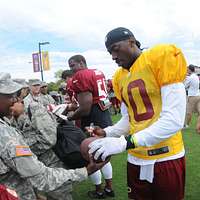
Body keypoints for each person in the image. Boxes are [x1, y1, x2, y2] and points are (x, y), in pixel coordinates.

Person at [89, 27, 187, 200]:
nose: (113, 56)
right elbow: (129, 118)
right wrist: (107, 132)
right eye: (109, 52)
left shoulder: (159, 56)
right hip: (136, 158)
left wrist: (126, 143)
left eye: (115, 49)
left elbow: (174, 120)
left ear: (132, 42)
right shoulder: (119, 77)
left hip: (166, 157)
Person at [0, 72, 106, 200]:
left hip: (49, 164)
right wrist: (85, 171)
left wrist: (27, 149)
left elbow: (49, 138)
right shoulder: (5, 132)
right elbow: (40, 177)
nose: (15, 99)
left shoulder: (31, 108)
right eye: (10, 95)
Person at [67, 55, 115, 199]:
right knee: (104, 155)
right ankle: (109, 188)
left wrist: (70, 117)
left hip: (92, 119)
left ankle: (99, 190)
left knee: (91, 157)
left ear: (82, 63)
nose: (72, 69)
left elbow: (85, 108)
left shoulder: (81, 75)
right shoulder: (97, 71)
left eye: (73, 65)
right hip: (104, 117)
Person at [184, 64, 200, 133]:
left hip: (192, 96)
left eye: (188, 69)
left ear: (190, 70)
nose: (187, 70)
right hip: (198, 95)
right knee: (199, 112)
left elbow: (185, 86)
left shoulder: (190, 77)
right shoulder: (196, 76)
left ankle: (187, 125)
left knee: (189, 112)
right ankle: (198, 126)